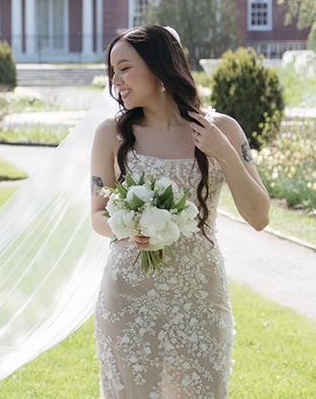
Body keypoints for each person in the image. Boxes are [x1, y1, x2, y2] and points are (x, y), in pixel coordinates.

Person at [90, 25, 270, 399]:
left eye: (124, 68)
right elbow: (97, 214)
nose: (116, 81)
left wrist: (223, 152)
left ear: (159, 65)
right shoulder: (111, 134)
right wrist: (127, 228)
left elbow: (259, 217)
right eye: (113, 72)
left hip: (199, 297)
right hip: (128, 296)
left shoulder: (222, 129)